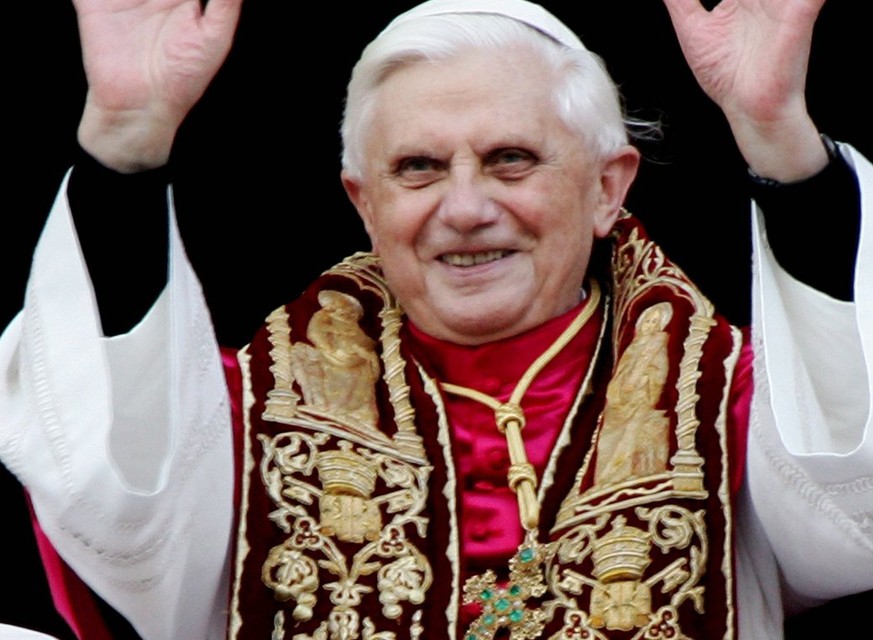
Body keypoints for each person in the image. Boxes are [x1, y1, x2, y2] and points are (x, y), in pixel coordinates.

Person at [0, 0, 870, 639]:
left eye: (509, 160)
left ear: (608, 188)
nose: (464, 208)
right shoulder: (243, 415)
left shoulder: (725, 403)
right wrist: (124, 140)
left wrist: (777, 141)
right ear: (364, 204)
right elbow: (117, 514)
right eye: (417, 167)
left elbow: (850, 521)